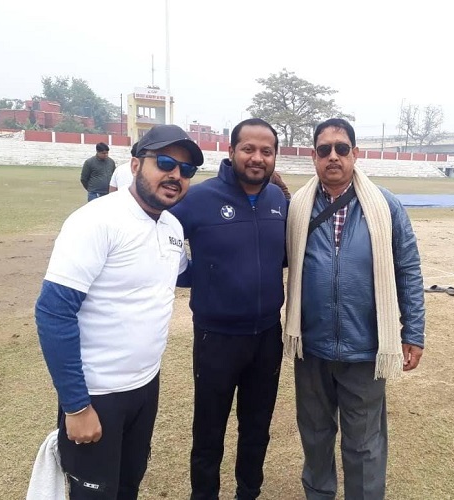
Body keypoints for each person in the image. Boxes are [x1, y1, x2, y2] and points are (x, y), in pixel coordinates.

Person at [35, 124, 204, 499]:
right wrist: (76, 407)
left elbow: (184, 274)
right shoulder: (97, 220)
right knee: (94, 493)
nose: (175, 175)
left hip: (145, 386)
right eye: (165, 163)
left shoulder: (171, 226)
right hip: (98, 394)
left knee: (129, 484)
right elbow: (53, 312)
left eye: (186, 169)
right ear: (135, 165)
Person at [284, 118, 425, 499]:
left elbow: (408, 269)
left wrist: (413, 332)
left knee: (364, 445)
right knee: (315, 436)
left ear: (355, 154)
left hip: (365, 349)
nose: (333, 156)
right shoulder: (296, 207)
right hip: (311, 348)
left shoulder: (385, 205)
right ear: (314, 156)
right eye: (324, 149)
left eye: (342, 148)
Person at [170, 118, 288, 500]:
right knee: (209, 432)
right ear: (232, 150)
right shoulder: (199, 199)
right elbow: (162, 240)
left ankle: (248, 492)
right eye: (248, 149)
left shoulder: (278, 200)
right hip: (216, 339)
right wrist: (195, 276)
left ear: (274, 156)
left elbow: (285, 255)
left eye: (266, 151)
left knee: (256, 429)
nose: (257, 158)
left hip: (267, 336)